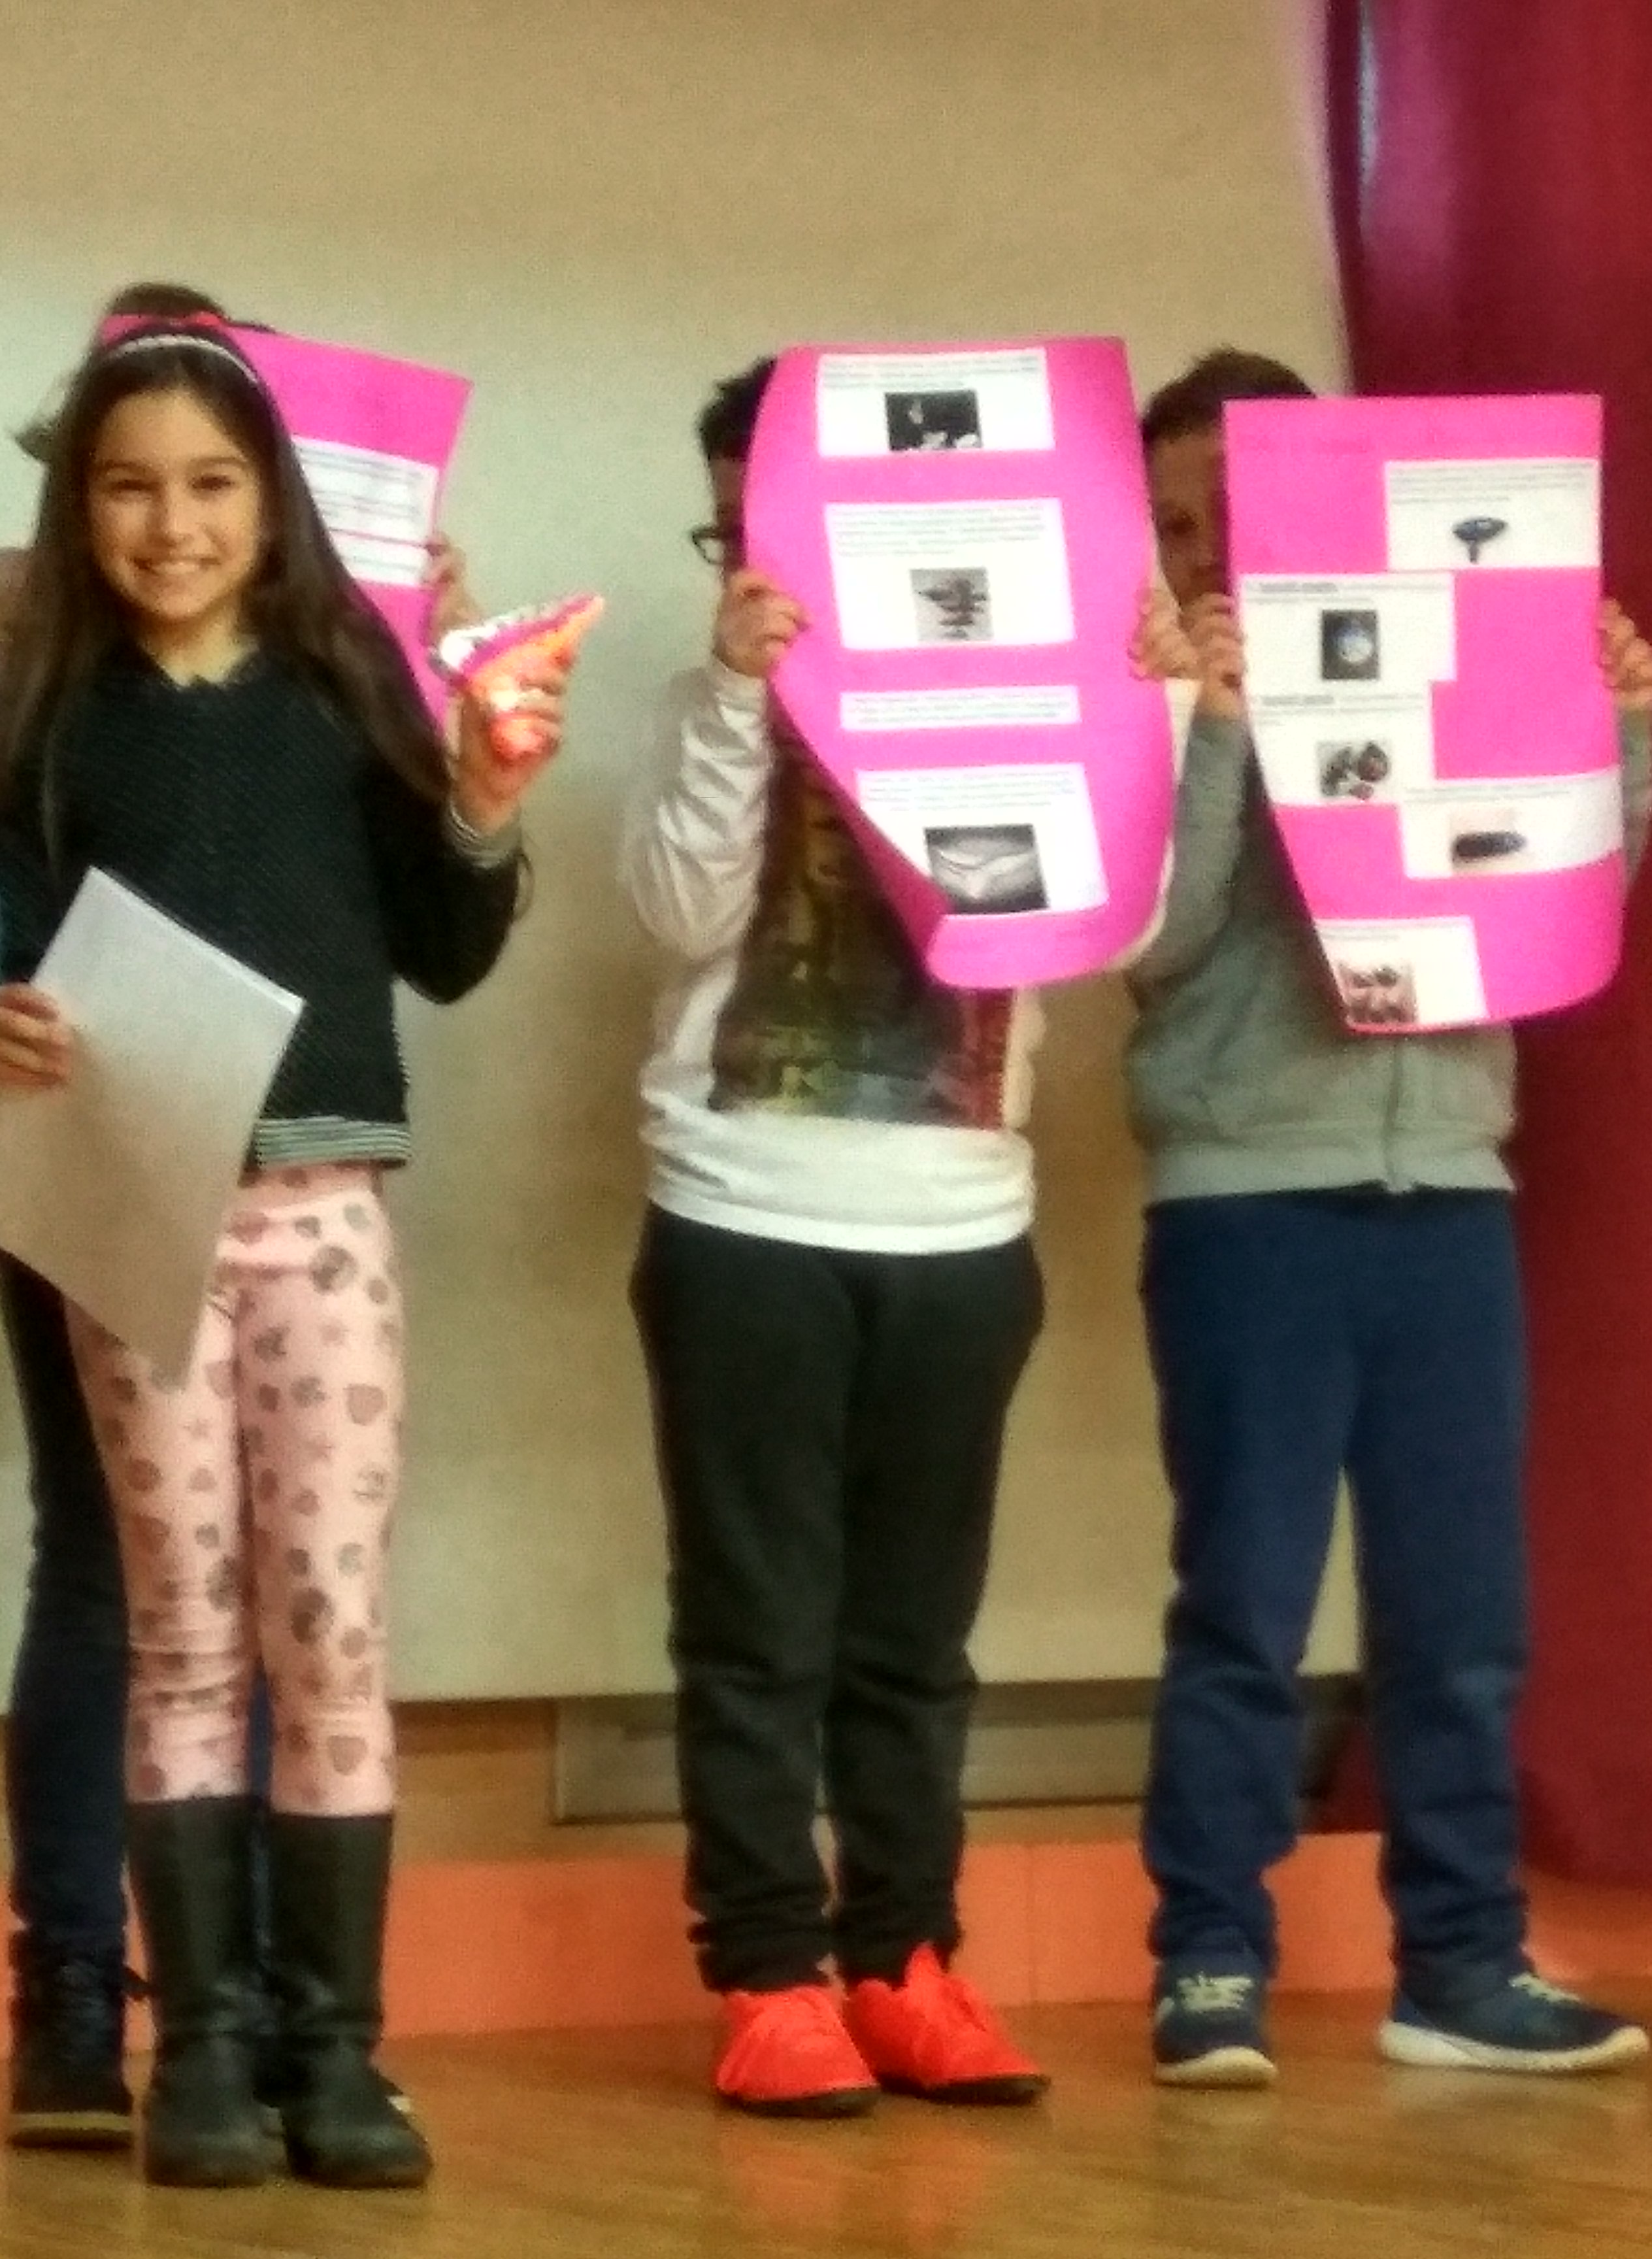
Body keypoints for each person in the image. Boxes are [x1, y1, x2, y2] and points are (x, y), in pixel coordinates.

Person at [0, 307, 562, 2188]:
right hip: (131, 1212)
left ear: (274, 500)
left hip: (325, 1220)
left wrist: (484, 808)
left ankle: (335, 2053)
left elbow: (446, 951)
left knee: (331, 1630)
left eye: (212, 484)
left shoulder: (345, 688)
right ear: (78, 508)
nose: (172, 525)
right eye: (128, 488)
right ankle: (205, 2051)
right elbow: (1, 956)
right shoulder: (48, 718)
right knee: (179, 1633)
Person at [622, 356, 1189, 2117]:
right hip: (742, 1211)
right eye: (727, 532)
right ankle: (768, 1974)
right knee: (756, 1631)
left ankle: (904, 1958)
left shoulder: (1022, 689)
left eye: (776, 528)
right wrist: (741, 692)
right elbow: (678, 910)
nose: (752, 564)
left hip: (961, 1226)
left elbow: (1110, 930)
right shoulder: (711, 700)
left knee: (914, 1637)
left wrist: (1155, 708)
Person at [1127, 347, 1652, 2085]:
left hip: (1447, 1190)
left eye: (1234, 512)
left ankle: (1460, 1965)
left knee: (1462, 1617)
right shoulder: (1144, 694)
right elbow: (1151, 944)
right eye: (1174, 526)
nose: (1208, 552)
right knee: (1245, 1606)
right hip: (1246, 1200)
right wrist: (1213, 729)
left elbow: (1562, 905)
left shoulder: (1446, 641)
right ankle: (1209, 1962)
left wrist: (1617, 730)